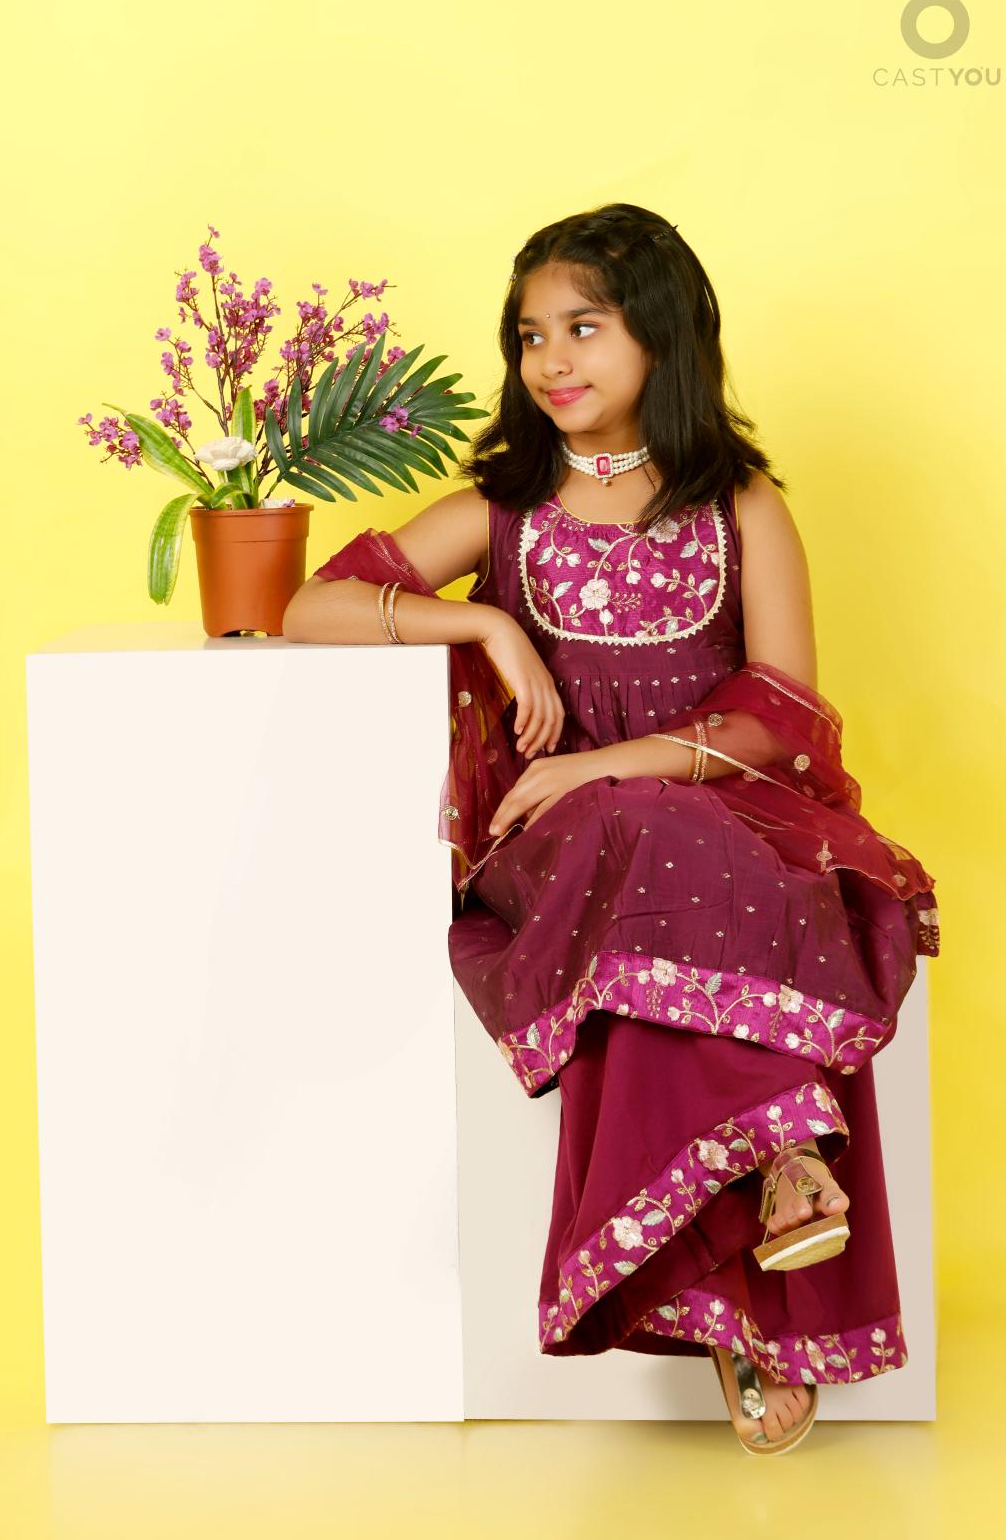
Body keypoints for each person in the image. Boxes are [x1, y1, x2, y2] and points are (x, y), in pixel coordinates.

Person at [282, 203, 940, 1455]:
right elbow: (313, 607)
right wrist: (485, 623)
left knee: (678, 853)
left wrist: (620, 761)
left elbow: (779, 714)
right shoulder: (503, 510)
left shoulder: (738, 506)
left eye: (582, 328)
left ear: (660, 334)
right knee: (644, 844)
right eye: (529, 335)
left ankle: (747, 1301)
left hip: (717, 814)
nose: (551, 360)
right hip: (555, 839)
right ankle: (785, 1152)